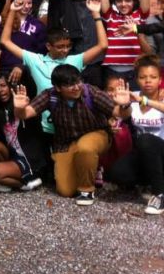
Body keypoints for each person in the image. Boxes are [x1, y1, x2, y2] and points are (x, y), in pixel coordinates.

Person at [13, 64, 131, 206]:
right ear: (58, 88)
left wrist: (125, 105)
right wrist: (19, 108)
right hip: (66, 143)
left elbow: (119, 113)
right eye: (70, 84)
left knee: (85, 147)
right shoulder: (50, 96)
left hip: (97, 134)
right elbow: (26, 114)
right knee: (65, 190)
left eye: (77, 81)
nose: (76, 87)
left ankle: (86, 190)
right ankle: (90, 166)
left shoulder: (91, 92)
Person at [0, 0, 107, 136]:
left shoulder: (75, 60)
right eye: (60, 47)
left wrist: (96, 14)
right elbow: (5, 41)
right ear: (48, 46)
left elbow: (103, 45)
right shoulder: (35, 60)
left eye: (68, 46)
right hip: (46, 126)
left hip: (72, 126)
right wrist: (12, 11)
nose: (65, 50)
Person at [104, 55, 164, 215]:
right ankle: (147, 182)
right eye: (143, 77)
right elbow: (123, 115)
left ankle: (159, 195)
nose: (148, 81)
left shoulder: (161, 96)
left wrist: (146, 101)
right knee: (116, 173)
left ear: (160, 80)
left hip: (161, 150)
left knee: (145, 140)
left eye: (153, 77)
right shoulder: (132, 96)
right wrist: (124, 104)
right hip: (144, 153)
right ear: (137, 79)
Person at [93, 0, 157, 86]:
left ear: (134, 1)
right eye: (119, 0)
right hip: (111, 71)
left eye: (127, 0)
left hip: (135, 70)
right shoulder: (110, 15)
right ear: (115, 1)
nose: (123, 4)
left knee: (135, 104)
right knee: (113, 105)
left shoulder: (139, 15)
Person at [0, 72, 47, 192]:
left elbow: (30, 84)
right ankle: (22, 183)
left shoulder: (22, 101)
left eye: (3, 85)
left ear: (10, 86)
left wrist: (20, 68)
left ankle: (27, 178)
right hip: (12, 155)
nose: (0, 90)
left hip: (29, 157)